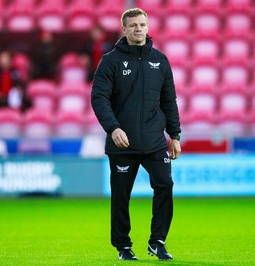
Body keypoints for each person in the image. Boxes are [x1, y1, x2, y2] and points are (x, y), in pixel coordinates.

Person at [91, 8, 181, 261]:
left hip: (154, 141)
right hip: (122, 142)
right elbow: (98, 97)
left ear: (148, 26)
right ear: (124, 29)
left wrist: (174, 134)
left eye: (142, 24)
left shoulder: (160, 61)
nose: (138, 29)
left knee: (165, 185)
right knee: (121, 197)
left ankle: (158, 241)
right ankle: (123, 246)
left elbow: (169, 100)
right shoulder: (110, 61)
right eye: (133, 25)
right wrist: (113, 127)